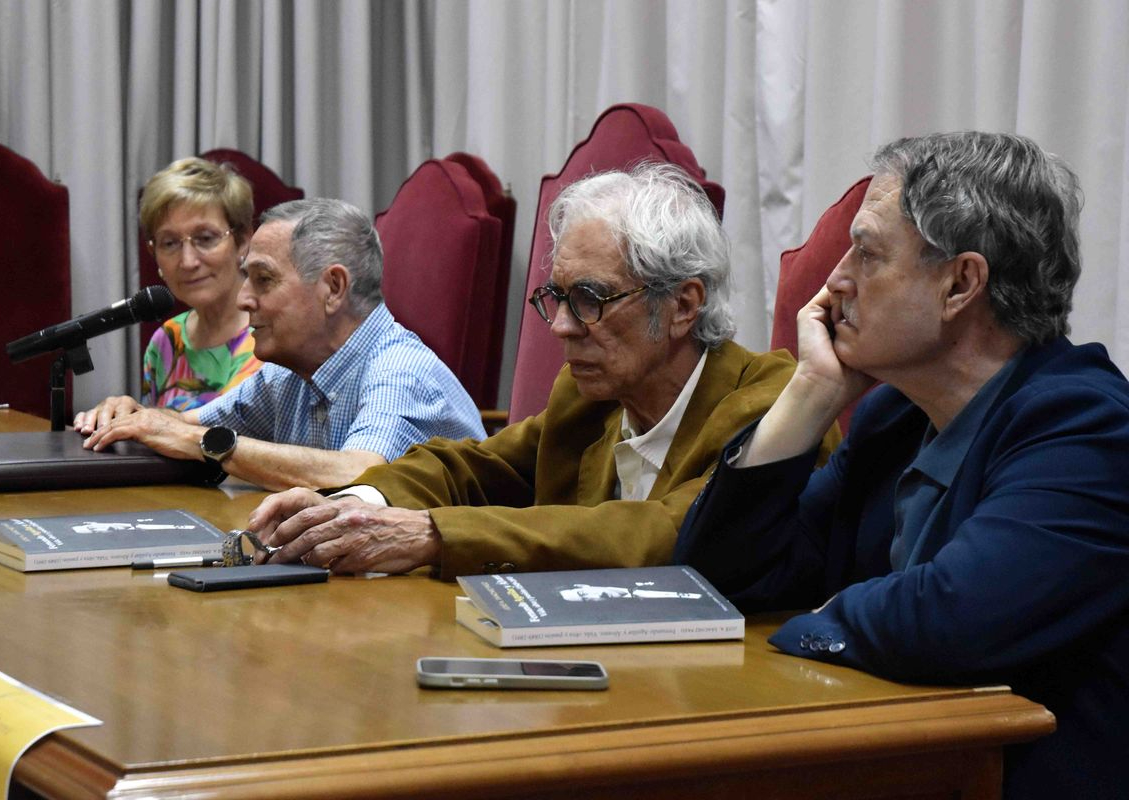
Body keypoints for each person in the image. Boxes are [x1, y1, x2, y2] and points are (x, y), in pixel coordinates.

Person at [674, 132, 1129, 799]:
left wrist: (821, 615)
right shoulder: (895, 418)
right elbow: (723, 578)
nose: (835, 281)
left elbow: (951, 619)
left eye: (868, 252)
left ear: (960, 284)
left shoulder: (1088, 429)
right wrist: (810, 395)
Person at [248, 162, 838, 577]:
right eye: (555, 297)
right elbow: (468, 467)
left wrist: (432, 535)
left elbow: (663, 533)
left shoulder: (768, 405)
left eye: (591, 298)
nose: (560, 327)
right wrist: (359, 505)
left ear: (683, 305)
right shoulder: (591, 398)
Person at [74, 198, 485, 491]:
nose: (243, 299)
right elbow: (189, 427)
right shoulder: (286, 374)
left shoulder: (399, 370)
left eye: (263, 280)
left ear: (333, 288)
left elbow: (360, 473)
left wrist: (201, 442)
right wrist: (134, 417)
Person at [139, 157, 263, 410]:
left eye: (205, 238)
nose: (187, 261)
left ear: (242, 241)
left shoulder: (271, 336)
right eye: (170, 243)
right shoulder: (166, 340)